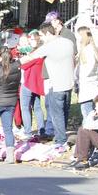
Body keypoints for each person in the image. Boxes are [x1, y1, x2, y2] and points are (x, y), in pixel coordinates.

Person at [21, 21, 76, 152]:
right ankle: (61, 136)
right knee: (64, 111)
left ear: (47, 33)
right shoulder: (69, 42)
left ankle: (60, 140)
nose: (42, 39)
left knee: (56, 114)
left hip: (55, 85)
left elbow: (30, 57)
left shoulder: (49, 46)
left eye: (42, 36)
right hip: (68, 83)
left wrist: (13, 63)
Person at [76, 26, 98, 118]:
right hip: (91, 85)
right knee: (89, 112)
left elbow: (87, 69)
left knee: (87, 114)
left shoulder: (88, 50)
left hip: (87, 86)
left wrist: (77, 77)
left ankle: (89, 131)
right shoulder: (92, 49)